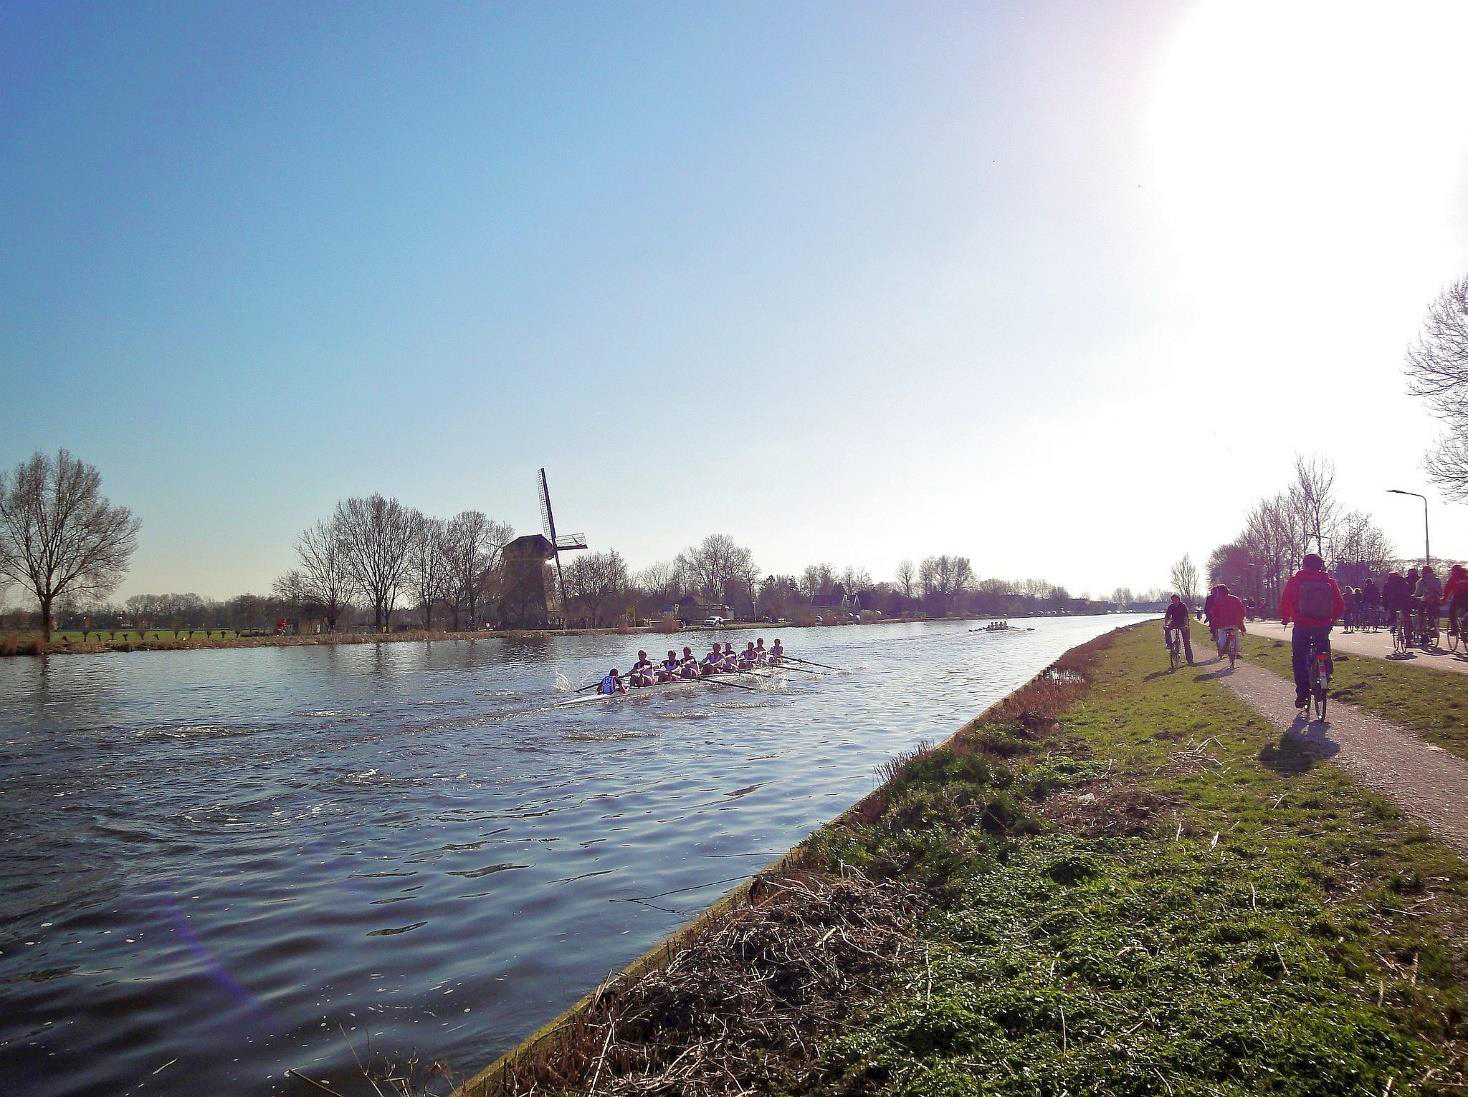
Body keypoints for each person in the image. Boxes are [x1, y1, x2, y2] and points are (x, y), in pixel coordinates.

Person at [1279, 553, 1345, 708]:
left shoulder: (1295, 581)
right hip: (1322, 625)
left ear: (1304, 565)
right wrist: (1331, 619)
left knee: (1299, 656)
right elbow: (1339, 604)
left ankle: (1302, 692)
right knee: (1323, 650)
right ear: (1321, 565)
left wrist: (1285, 617)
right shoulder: (1329, 582)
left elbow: (1286, 600)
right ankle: (1326, 675)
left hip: (1302, 624)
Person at [1210, 583, 1246, 660]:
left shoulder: (1218, 601)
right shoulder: (1235, 599)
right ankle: (1237, 652)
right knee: (1236, 637)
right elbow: (1242, 611)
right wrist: (1240, 623)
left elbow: (1214, 612)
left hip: (1222, 624)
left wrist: (1215, 620)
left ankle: (1223, 649)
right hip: (1234, 623)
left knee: (1221, 638)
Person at [1163, 595, 1194, 665]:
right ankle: (1169, 644)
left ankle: (1190, 659)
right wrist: (1166, 624)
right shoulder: (1171, 607)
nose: (1175, 601)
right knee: (1166, 629)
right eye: (1173, 600)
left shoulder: (1183, 606)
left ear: (1179, 600)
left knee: (1186, 641)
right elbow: (1167, 616)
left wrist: (1186, 625)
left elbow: (1186, 616)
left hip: (1183, 622)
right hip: (1174, 622)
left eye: (1176, 600)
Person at [1416, 565, 1443, 646]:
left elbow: (1417, 593)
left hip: (1426, 600)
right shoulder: (1437, 580)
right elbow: (1440, 591)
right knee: (1433, 612)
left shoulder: (1421, 581)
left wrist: (1414, 596)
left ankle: (1421, 630)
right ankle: (1434, 626)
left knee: (1420, 613)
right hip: (1436, 600)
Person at [1382, 570, 1409, 641]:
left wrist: (1385, 606)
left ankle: (1393, 625)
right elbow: (1407, 592)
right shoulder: (1404, 582)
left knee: (1392, 613)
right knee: (1407, 617)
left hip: (1393, 602)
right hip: (1404, 602)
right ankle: (1409, 633)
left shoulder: (1388, 584)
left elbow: (1385, 595)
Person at [1446, 565, 1468, 642]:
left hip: (1457, 598)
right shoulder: (1466, 577)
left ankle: (1455, 630)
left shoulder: (1453, 578)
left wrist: (1444, 599)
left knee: (1452, 613)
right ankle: (1465, 625)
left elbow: (1447, 590)